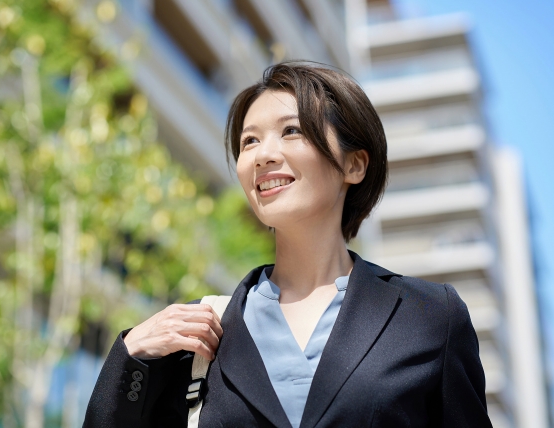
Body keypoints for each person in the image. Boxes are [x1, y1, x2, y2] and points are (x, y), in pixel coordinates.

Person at [83, 62, 492, 427]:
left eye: (291, 130)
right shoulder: (199, 334)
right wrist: (131, 355)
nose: (263, 155)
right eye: (249, 142)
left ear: (354, 164)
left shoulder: (430, 316)